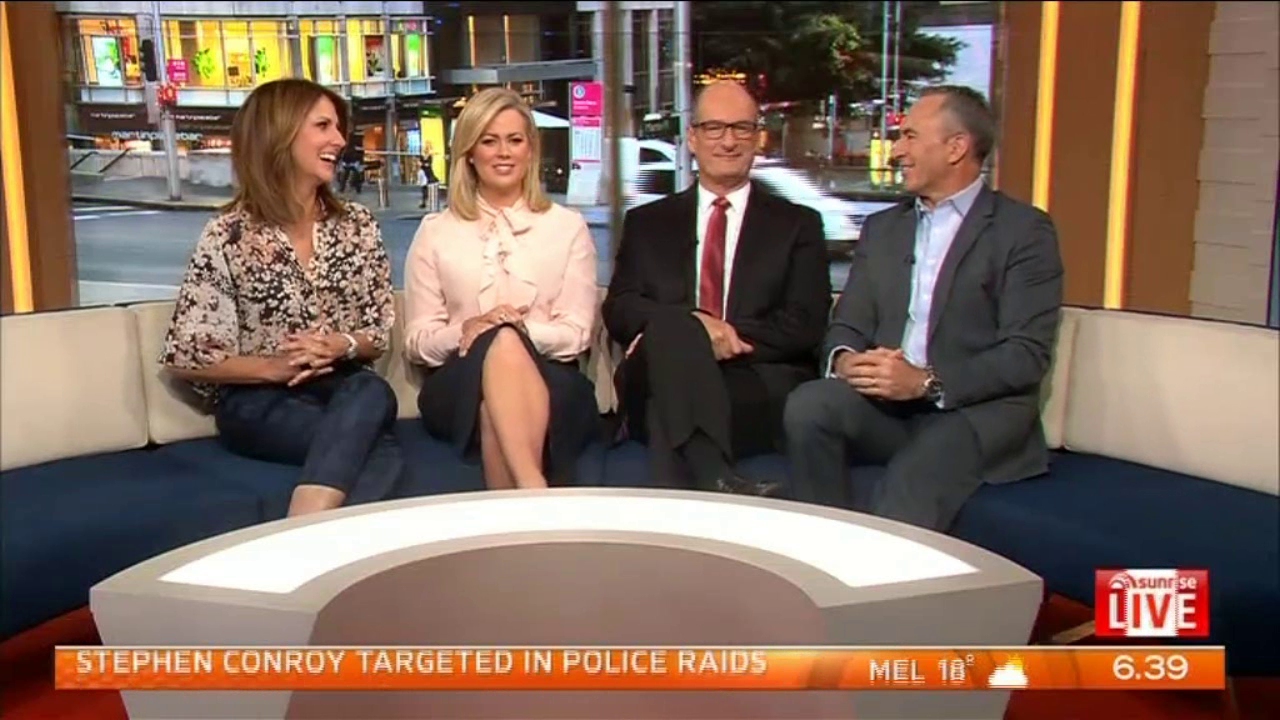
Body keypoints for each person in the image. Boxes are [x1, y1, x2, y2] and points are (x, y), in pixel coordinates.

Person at [784, 85, 1065, 531]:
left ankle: (882, 575)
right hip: (888, 409)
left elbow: (1025, 354)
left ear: (956, 147)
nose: (897, 150)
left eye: (910, 136)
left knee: (918, 470)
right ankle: (824, 545)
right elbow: (849, 323)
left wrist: (926, 383)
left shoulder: (1022, 231)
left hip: (974, 412)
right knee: (809, 405)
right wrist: (847, 361)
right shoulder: (883, 229)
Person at [159, 78, 402, 517]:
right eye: (323, 126)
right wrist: (275, 367)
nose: (339, 140)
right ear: (280, 133)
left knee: (371, 390)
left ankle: (298, 530)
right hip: (258, 400)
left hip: (343, 388)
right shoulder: (229, 234)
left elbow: (378, 331)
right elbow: (185, 355)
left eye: (338, 127)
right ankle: (310, 532)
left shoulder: (358, 225)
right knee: (376, 450)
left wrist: (341, 345)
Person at [602, 81, 832, 495]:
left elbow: (804, 324)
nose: (728, 141)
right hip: (654, 375)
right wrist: (694, 327)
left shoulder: (798, 224)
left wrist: (718, 336)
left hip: (752, 381)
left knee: (665, 396)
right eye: (714, 128)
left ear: (758, 137)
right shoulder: (647, 223)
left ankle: (691, 498)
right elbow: (620, 308)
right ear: (692, 138)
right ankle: (716, 480)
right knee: (674, 330)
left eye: (741, 128)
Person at [403, 87, 599, 489]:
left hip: (553, 378)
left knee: (495, 401)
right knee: (499, 345)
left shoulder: (568, 227)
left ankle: (527, 494)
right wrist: (470, 330)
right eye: (489, 141)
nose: (503, 153)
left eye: (514, 140)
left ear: (531, 150)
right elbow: (417, 341)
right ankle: (536, 493)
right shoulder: (435, 232)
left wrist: (514, 331)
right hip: (458, 383)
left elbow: (577, 334)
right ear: (469, 153)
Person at [418, 144, 440, 210]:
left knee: (429, 187)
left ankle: (430, 202)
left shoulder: (430, 157)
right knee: (423, 188)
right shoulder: (421, 156)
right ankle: (424, 202)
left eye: (426, 149)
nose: (425, 150)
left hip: (428, 173)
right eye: (425, 149)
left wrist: (423, 164)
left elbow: (428, 164)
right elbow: (420, 164)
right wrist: (423, 164)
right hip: (423, 173)